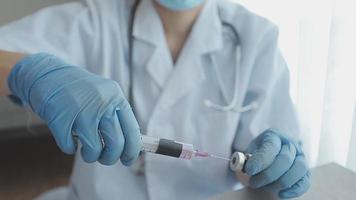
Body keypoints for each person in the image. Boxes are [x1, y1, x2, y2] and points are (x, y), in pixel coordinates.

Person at [0, 0, 311, 199]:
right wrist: (30, 74)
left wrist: (268, 166)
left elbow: (256, 164)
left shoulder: (255, 38)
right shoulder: (95, 19)